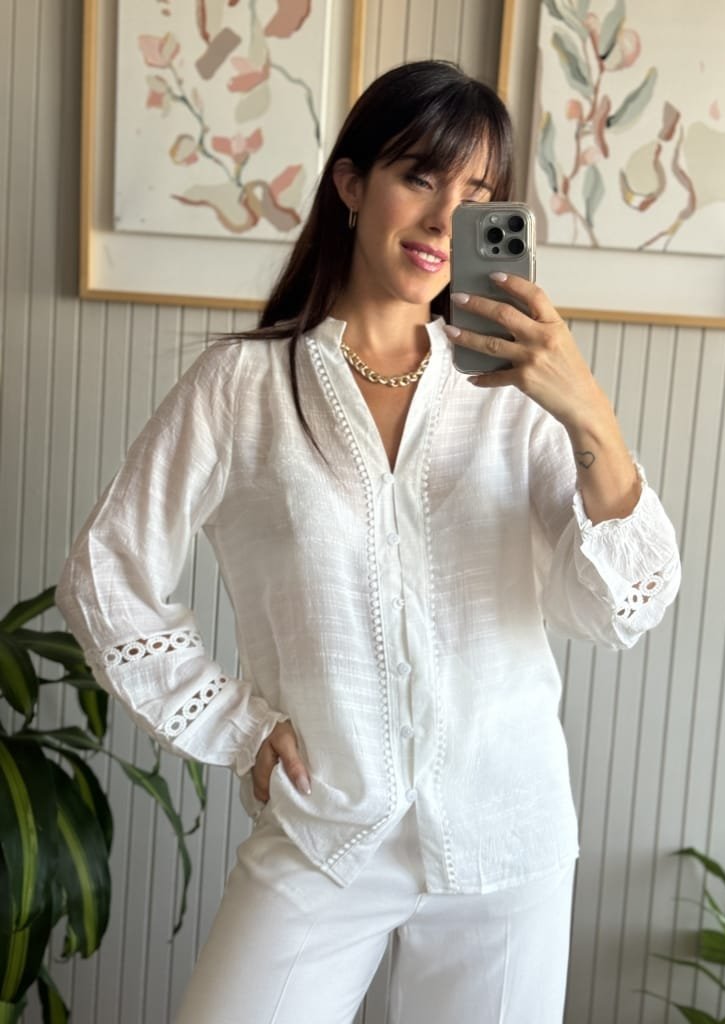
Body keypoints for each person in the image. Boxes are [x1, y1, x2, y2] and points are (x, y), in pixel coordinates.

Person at [56, 60, 681, 1024]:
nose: (443, 219)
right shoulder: (244, 388)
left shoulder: (516, 397)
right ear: (351, 185)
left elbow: (616, 606)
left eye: (476, 194)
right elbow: (106, 573)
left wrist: (585, 409)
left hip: (506, 839)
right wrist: (235, 724)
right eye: (420, 176)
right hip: (325, 833)